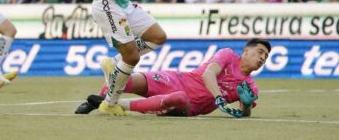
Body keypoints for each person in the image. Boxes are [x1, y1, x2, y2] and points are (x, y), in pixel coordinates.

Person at [76, 38, 271, 117]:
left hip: (190, 106)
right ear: (246, 50)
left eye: (266, 56)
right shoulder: (228, 54)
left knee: (179, 98)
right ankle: (99, 101)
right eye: (260, 51)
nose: (262, 57)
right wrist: (219, 97)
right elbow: (209, 74)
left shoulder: (251, 87)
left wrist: (245, 106)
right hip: (178, 79)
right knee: (129, 81)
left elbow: (245, 114)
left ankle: (116, 103)